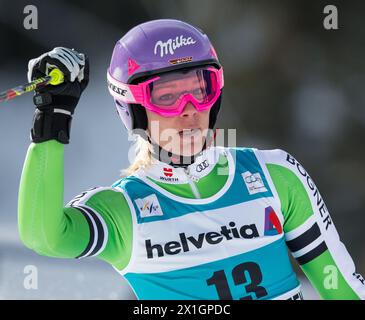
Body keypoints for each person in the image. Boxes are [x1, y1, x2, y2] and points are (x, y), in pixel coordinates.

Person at [18, 19, 365, 300]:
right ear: (134, 109)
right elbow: (44, 237)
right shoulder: (124, 210)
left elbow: (343, 291)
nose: (189, 111)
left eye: (200, 89)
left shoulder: (275, 175)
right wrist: (54, 118)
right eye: (167, 96)